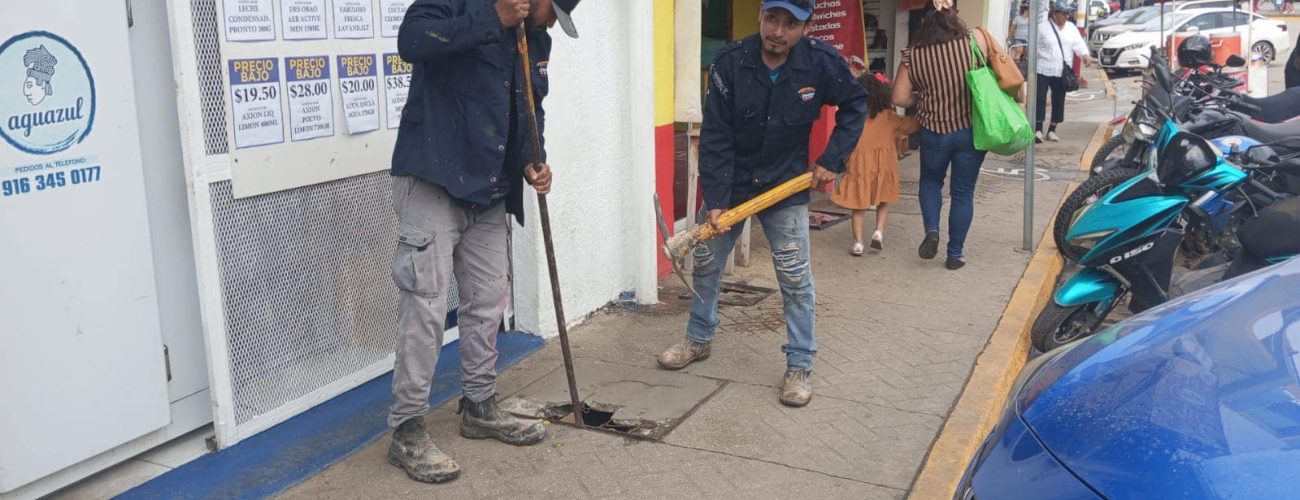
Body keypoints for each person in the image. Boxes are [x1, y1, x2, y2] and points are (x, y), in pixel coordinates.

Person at [385, 0, 581, 485]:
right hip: (434, 179)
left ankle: (479, 404)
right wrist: (491, 19)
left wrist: (533, 160)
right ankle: (407, 428)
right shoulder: (464, 4)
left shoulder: (536, 40)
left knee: (488, 303)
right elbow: (411, 43)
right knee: (426, 310)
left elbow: (528, 108)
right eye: (552, 10)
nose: (552, 21)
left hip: (490, 192)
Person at [656, 0, 868, 407]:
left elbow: (855, 105)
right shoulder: (730, 63)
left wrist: (832, 159)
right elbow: (716, 134)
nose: (779, 31)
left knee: (794, 279)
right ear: (761, 16)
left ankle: (800, 363)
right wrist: (714, 200)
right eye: (773, 19)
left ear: (805, 26)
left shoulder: (821, 64)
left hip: (785, 189)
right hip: (731, 187)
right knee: (705, 265)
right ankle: (698, 340)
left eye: (791, 24)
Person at [891, 0, 993, 270]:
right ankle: (955, 254)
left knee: (930, 182)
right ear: (955, 22)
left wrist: (921, 97)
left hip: (934, 133)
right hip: (970, 131)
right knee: (962, 193)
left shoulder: (913, 54)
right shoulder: (973, 42)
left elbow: (899, 97)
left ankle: (932, 230)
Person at [831, 73, 919, 255]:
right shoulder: (889, 117)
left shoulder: (855, 117)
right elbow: (910, 126)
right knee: (884, 200)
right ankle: (878, 232)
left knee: (858, 204)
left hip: (860, 164)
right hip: (885, 164)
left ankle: (858, 243)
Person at [1034, 1, 1095, 142]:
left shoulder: (1071, 28)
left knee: (1059, 99)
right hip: (1043, 68)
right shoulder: (1042, 27)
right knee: (1040, 98)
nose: (1065, 16)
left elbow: (1078, 44)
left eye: (1067, 13)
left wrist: (1085, 55)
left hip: (1061, 70)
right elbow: (1033, 46)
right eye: (1062, 13)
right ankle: (1038, 128)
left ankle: (1052, 129)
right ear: (1054, 14)